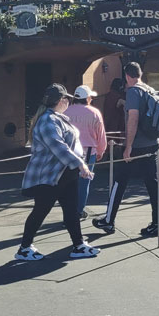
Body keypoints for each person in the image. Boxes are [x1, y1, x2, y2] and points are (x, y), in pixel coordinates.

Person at [17, 84, 99, 261]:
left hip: (64, 173)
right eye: (66, 99)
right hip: (49, 175)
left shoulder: (57, 118)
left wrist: (77, 165)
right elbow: (58, 147)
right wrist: (81, 164)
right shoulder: (48, 120)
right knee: (40, 211)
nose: (69, 101)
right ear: (60, 100)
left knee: (71, 210)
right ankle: (24, 247)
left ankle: (78, 245)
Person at [93, 62, 159, 237]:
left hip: (137, 145)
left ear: (127, 76)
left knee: (119, 181)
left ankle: (109, 221)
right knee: (153, 184)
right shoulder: (148, 89)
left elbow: (132, 119)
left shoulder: (133, 91)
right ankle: (158, 223)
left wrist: (128, 147)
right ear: (140, 73)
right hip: (152, 143)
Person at [64, 85, 107, 219]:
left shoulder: (66, 112)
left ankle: (68, 212)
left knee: (67, 184)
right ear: (87, 98)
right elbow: (100, 135)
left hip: (68, 152)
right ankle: (78, 211)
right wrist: (101, 151)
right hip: (88, 151)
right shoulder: (94, 112)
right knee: (84, 183)